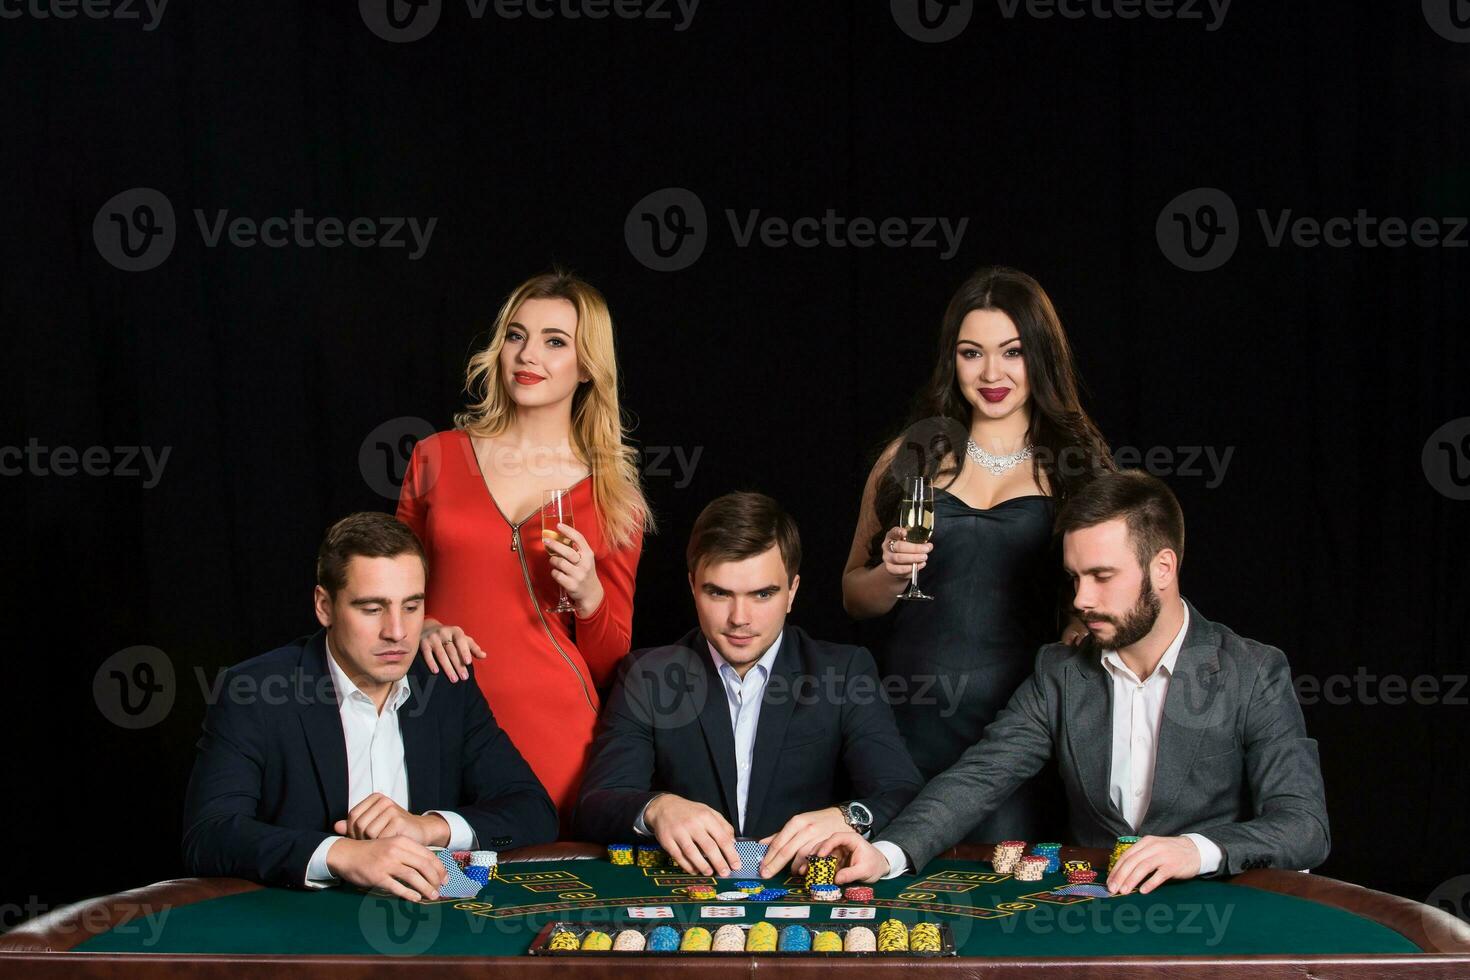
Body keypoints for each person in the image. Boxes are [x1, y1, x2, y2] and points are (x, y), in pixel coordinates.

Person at [817, 471, 1331, 891]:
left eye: (1102, 577)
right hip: (1097, 918)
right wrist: (886, 853)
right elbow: (978, 778)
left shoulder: (1253, 671)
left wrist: (1193, 851)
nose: (1081, 600)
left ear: (1163, 568)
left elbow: (1304, 826)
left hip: (1217, 920)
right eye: (1074, 577)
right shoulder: (1060, 673)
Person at [842, 265, 1113, 843]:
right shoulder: (909, 453)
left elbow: (1102, 598)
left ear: (1039, 356)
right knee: (894, 896)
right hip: (905, 723)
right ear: (952, 360)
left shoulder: (1077, 466)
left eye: (1011, 352)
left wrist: (1073, 641)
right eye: (972, 353)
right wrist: (889, 575)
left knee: (1001, 900)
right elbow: (852, 597)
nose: (992, 373)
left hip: (1016, 732)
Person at [181, 513, 557, 899]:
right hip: (303, 928)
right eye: (372, 608)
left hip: (428, 920)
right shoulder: (256, 691)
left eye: (411, 607)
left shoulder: (445, 682)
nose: (396, 631)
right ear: (324, 606)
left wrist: (426, 828)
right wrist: (343, 855)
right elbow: (209, 835)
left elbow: (533, 811)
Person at [396, 270, 652, 826]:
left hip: (552, 729)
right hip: (435, 710)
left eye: (554, 341)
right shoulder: (436, 457)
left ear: (586, 367)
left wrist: (588, 595)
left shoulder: (613, 496)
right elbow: (385, 588)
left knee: (540, 898)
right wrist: (426, 626)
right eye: (516, 335)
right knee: (423, 882)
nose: (527, 354)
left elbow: (611, 663)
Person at [576, 492, 923, 879]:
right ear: (693, 587)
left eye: (762, 594)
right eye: (719, 593)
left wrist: (848, 817)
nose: (740, 618)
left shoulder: (843, 672)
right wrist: (657, 808)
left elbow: (902, 791)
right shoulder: (648, 674)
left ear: (791, 592)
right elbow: (596, 802)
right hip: (684, 897)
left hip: (807, 895)